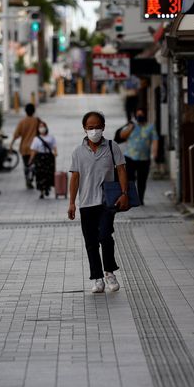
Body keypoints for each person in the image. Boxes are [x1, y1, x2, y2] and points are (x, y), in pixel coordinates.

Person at [68, 111, 129, 293]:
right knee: (91, 242)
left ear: (103, 127)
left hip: (106, 202)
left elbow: (121, 170)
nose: (94, 130)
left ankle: (109, 272)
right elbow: (75, 178)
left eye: (97, 127)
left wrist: (124, 193)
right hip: (86, 203)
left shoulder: (112, 147)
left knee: (105, 237)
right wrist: (72, 202)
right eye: (90, 127)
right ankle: (97, 278)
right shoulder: (78, 152)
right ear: (84, 129)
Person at [120, 108, 158, 204]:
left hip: (144, 158)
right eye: (138, 115)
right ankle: (131, 198)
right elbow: (122, 136)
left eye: (141, 115)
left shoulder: (150, 127)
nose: (140, 117)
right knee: (130, 179)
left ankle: (140, 199)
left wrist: (155, 153)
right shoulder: (131, 126)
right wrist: (131, 127)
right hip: (130, 157)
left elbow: (155, 140)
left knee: (142, 180)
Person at [10, 103, 40, 188]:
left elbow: (16, 135)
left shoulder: (22, 122)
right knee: (34, 164)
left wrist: (11, 145)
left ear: (25, 111)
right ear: (33, 111)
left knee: (26, 165)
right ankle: (31, 177)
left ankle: (27, 179)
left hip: (24, 148)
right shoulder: (36, 121)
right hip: (34, 148)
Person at [28, 120, 57, 198]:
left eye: (43, 126)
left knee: (48, 174)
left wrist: (55, 152)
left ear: (46, 127)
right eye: (40, 127)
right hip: (40, 158)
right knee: (40, 175)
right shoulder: (36, 139)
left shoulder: (51, 137)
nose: (42, 128)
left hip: (49, 157)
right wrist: (31, 160)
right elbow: (34, 150)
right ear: (38, 129)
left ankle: (47, 188)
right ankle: (41, 191)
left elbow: (54, 146)